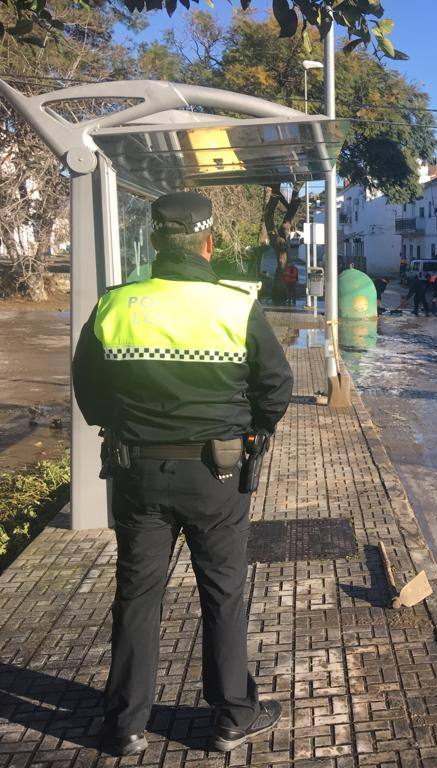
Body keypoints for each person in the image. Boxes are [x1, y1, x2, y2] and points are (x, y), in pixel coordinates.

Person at [71, 192, 293, 756]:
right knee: (223, 592)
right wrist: (250, 430)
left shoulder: (114, 306)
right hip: (215, 476)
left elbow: (91, 396)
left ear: (152, 242)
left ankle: (124, 725)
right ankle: (231, 716)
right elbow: (276, 388)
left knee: (137, 595)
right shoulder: (235, 307)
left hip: (135, 474)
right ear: (209, 242)